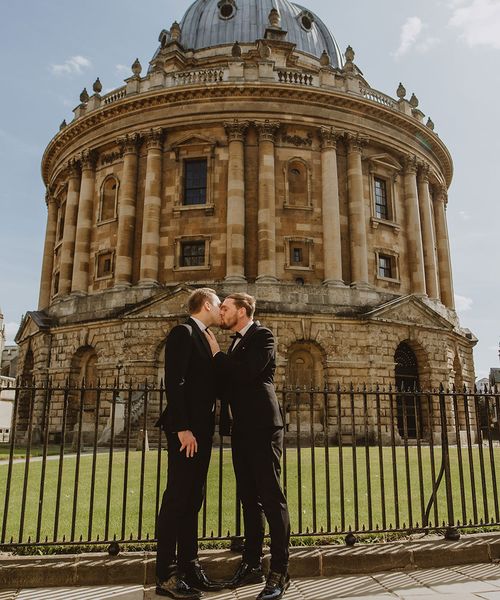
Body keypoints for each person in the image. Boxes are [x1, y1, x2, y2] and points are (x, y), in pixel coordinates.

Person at [204, 293, 291, 600]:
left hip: (264, 428)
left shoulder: (263, 336)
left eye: (225, 308)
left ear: (241, 311)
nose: (221, 313)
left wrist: (216, 355)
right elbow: (228, 383)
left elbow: (246, 374)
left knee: (271, 497)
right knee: (247, 499)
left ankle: (279, 572)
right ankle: (252, 563)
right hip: (242, 428)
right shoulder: (236, 342)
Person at [155, 288, 224, 599]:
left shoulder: (205, 337)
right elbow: (175, 380)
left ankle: (189, 565)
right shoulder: (183, 332)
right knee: (177, 498)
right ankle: (166, 575)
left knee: (194, 497)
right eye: (219, 305)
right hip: (187, 432)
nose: (222, 310)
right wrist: (182, 427)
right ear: (206, 304)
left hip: (201, 429)